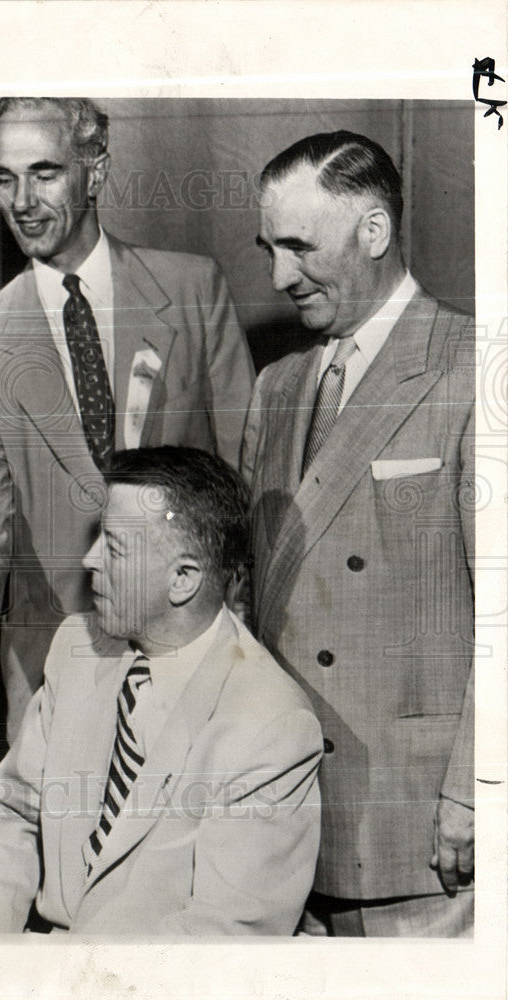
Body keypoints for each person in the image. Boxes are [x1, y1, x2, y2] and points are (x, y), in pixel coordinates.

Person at [0, 97, 256, 748]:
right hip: (53, 664)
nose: (22, 199)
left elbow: (248, 470)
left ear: (96, 172)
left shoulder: (193, 289)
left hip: (196, 651)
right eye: (4, 177)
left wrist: (247, 625)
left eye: (45, 172)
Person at [241, 131, 475, 936]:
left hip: (420, 824)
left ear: (373, 233)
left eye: (300, 246)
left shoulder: (476, 367)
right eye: (270, 248)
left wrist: (479, 789)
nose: (278, 276)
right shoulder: (276, 387)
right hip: (289, 820)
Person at [0, 447, 322, 934]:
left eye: (114, 546)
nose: (89, 560)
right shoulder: (77, 646)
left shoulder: (272, 725)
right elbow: (9, 812)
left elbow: (226, 934)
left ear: (183, 579)